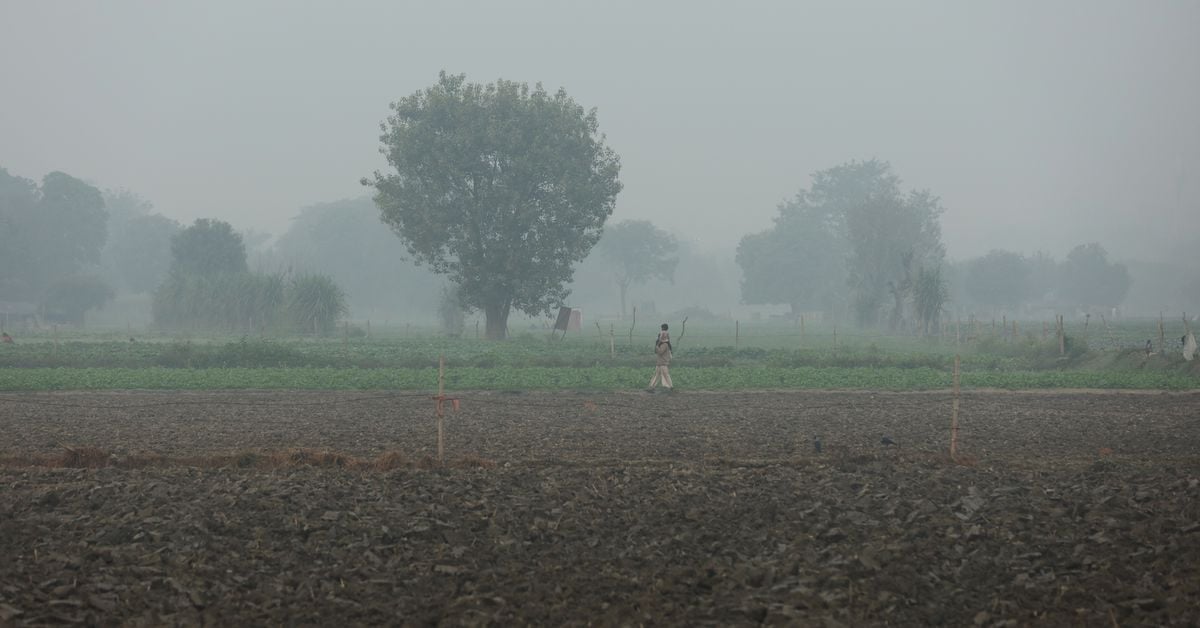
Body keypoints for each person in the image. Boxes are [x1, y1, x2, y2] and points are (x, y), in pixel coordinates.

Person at [648, 323, 673, 392]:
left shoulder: (664, 345)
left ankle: (669, 387)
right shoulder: (665, 343)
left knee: (665, 375)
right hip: (660, 362)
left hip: (663, 363)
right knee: (657, 375)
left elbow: (660, 352)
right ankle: (651, 387)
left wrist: (657, 346)